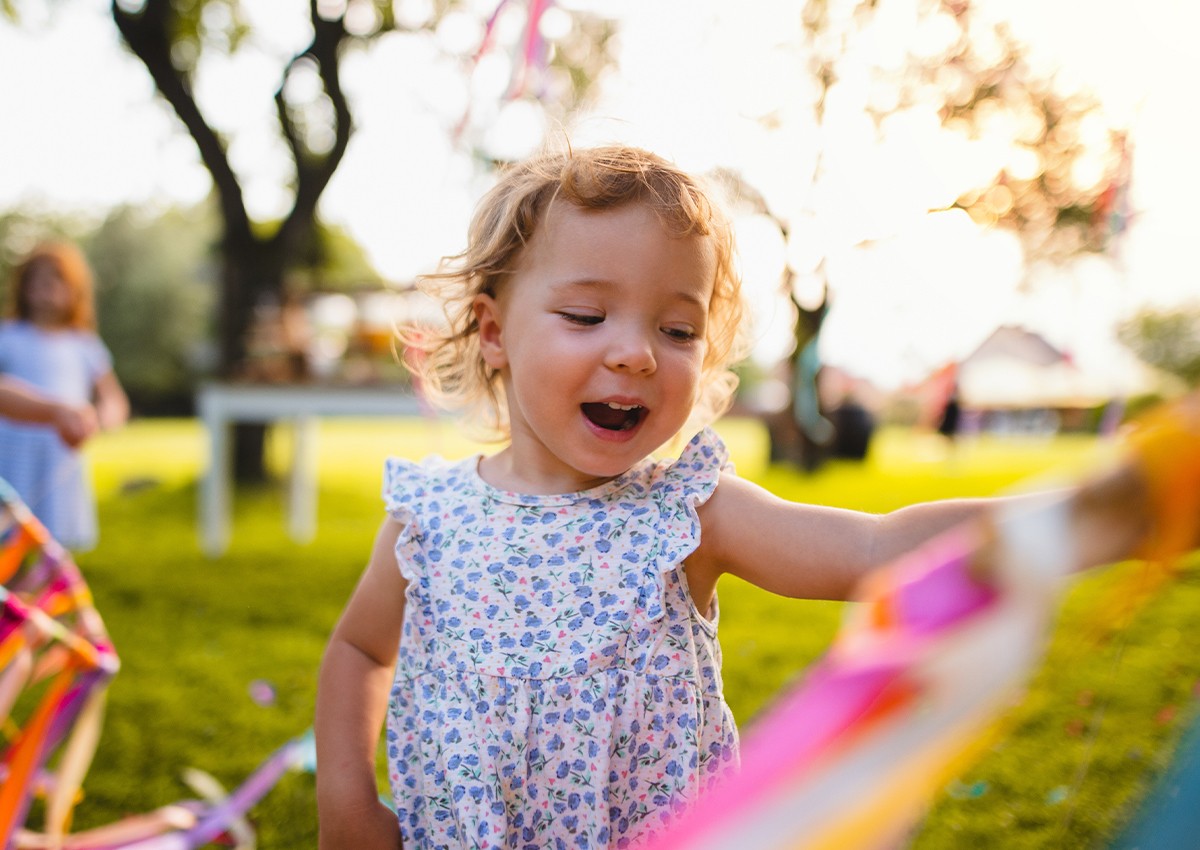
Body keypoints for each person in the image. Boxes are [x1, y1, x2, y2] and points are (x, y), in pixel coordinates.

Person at [312, 145, 1163, 850]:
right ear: (494, 332)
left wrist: (1093, 511)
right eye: (585, 315)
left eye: (676, 330)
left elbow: (873, 550)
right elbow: (357, 651)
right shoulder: (430, 521)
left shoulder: (688, 516)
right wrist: (346, 802)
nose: (638, 354)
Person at [0, 241, 129, 550]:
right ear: (23, 286)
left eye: (55, 278)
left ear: (75, 289)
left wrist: (98, 418)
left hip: (61, 455)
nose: (45, 286)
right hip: (12, 453)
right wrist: (57, 411)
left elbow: (113, 399)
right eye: (36, 278)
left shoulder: (83, 344)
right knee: (10, 539)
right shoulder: (8, 335)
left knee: (56, 546)